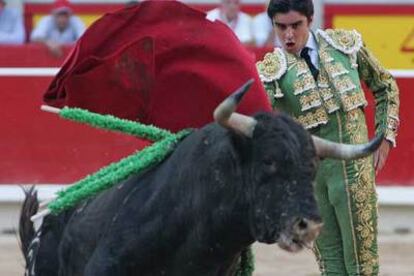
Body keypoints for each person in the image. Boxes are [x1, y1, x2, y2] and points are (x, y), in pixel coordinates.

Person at [256, 0, 399, 275]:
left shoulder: (346, 46)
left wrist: (386, 136)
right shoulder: (269, 73)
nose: (288, 35)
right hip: (312, 181)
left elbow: (385, 87)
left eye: (295, 25)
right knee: (330, 264)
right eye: (280, 27)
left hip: (354, 172)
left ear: (310, 20)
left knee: (362, 264)